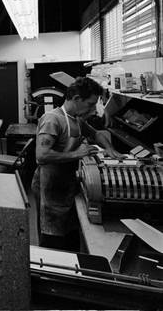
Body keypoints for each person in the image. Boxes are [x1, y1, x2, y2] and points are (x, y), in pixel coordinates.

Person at [31, 76, 123, 252]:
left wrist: (110, 150)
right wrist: (77, 153)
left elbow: (97, 134)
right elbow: (42, 155)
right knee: (53, 239)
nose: (93, 108)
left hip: (66, 185)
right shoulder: (53, 120)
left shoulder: (77, 120)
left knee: (68, 237)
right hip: (50, 187)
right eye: (90, 104)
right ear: (76, 99)